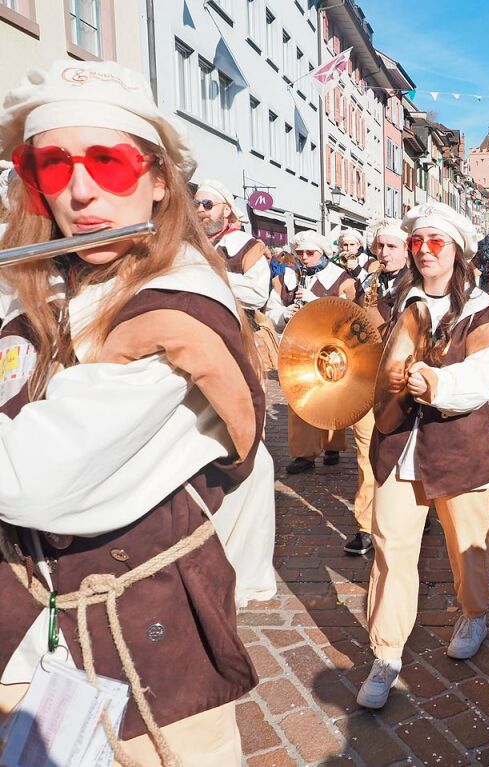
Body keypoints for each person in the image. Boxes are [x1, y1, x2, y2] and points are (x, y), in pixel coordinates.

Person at [0, 59, 276, 765]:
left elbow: (32, 477)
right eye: (54, 167)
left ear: (158, 181)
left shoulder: (173, 312)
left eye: (109, 162)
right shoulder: (45, 287)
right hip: (41, 631)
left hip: (151, 645)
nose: (81, 190)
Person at [358, 202, 489, 709]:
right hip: (399, 443)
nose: (424, 251)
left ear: (458, 253)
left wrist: (435, 381)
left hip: (457, 448)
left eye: (435, 242)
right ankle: (386, 652)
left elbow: (480, 381)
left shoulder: (485, 314)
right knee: (390, 550)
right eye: (418, 242)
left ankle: (473, 611)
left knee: (467, 544)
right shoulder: (396, 301)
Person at [267, 230, 354, 475]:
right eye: (300, 253)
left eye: (310, 253)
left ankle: (332, 446)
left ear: (323, 253)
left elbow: (349, 313)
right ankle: (304, 454)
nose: (304, 257)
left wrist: (316, 301)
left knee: (331, 395)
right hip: (299, 347)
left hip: (331, 345)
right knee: (300, 397)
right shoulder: (288, 278)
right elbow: (272, 309)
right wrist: (285, 314)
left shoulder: (341, 278)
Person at [346, 218, 409, 557]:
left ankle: (411, 512)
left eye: (391, 247)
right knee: (365, 452)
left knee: (404, 452)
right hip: (368, 379)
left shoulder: (418, 284)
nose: (383, 253)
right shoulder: (366, 282)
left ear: (406, 250)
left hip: (403, 383)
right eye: (379, 246)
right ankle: (365, 524)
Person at [193, 179, 278, 374]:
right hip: (194, 341)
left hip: (237, 343)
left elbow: (257, 295)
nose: (200, 209)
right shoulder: (187, 244)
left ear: (226, 211)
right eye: (195, 204)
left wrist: (210, 277)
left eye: (208, 205)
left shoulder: (247, 246)